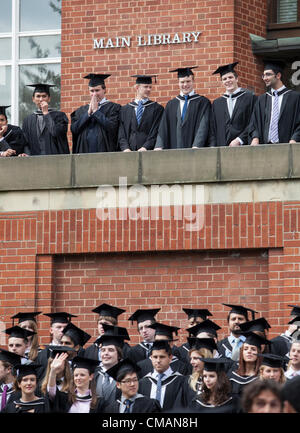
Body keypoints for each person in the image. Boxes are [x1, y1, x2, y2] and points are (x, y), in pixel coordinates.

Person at [154, 66, 211, 149]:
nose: (185, 85)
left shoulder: (203, 102)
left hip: (195, 151)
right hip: (175, 150)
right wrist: (159, 146)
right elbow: (163, 127)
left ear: (193, 81)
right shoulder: (171, 104)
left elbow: (204, 126)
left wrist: (197, 145)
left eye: (188, 81)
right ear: (178, 83)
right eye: (182, 82)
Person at [249, 59, 300, 146]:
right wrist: (255, 138)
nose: (265, 78)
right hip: (265, 148)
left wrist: (295, 139)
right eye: (263, 75)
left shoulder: (295, 97)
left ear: (278, 75)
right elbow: (254, 123)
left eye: (268, 74)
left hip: (288, 146)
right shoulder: (262, 99)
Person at [210, 62, 257, 147]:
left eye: (230, 77)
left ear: (237, 79)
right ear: (222, 82)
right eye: (224, 79)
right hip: (222, 148)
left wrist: (240, 139)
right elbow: (213, 128)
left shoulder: (250, 98)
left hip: (244, 146)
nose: (228, 80)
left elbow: (253, 122)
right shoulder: (217, 103)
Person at [71, 73, 121, 153]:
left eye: (97, 90)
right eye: (92, 91)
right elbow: (74, 129)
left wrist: (96, 112)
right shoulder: (81, 110)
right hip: (84, 152)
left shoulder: (114, 108)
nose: (94, 94)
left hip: (105, 152)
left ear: (104, 90)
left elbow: (113, 128)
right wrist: (88, 114)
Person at [138, 340, 188, 411]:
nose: (158, 360)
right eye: (155, 357)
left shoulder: (181, 381)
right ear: (151, 358)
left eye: (162, 357)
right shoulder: (142, 383)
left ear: (170, 358)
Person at [118, 75, 164, 152]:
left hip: (149, 152)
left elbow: (156, 131)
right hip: (129, 152)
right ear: (137, 88)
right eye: (146, 87)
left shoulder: (157, 108)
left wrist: (146, 147)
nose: (149, 89)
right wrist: (125, 148)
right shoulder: (125, 109)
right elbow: (121, 132)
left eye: (150, 87)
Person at [22, 83, 70, 155]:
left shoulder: (60, 116)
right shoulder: (28, 120)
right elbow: (25, 142)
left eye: (44, 96)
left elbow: (56, 133)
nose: (41, 99)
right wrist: (27, 155)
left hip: (56, 160)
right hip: (35, 161)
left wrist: (46, 113)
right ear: (33, 99)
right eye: (38, 96)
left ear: (49, 98)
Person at [228, 331, 271, 398]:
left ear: (258, 353)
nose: (249, 351)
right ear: (242, 353)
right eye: (245, 349)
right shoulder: (232, 374)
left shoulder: (262, 376)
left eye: (253, 349)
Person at [36, 312, 77, 380]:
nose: (62, 330)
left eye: (65, 327)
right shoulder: (42, 353)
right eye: (59, 327)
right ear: (51, 330)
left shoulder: (75, 352)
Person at [93, 334, 125, 405]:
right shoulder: (95, 374)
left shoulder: (125, 375)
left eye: (111, 350)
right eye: (103, 350)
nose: (106, 353)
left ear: (119, 355)